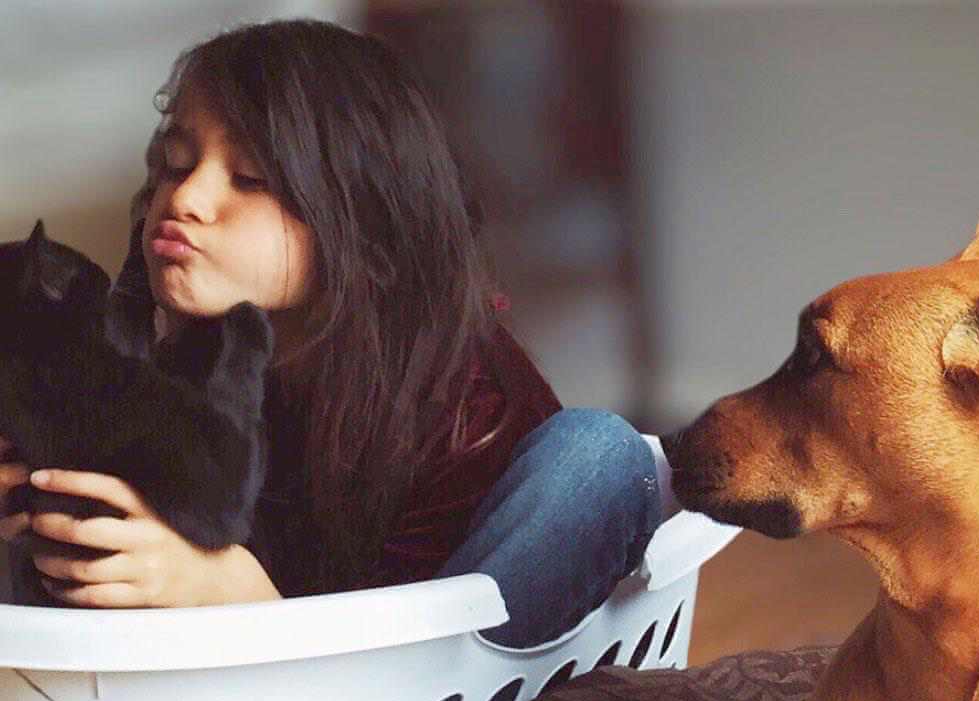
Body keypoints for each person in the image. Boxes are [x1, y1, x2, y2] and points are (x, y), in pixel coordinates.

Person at [0, 19, 674, 648]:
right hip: (193, 700)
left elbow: (431, 656)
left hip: (410, 693)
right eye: (176, 165)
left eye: (250, 178)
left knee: (599, 457)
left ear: (362, 225)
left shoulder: (469, 409)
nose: (185, 199)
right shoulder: (151, 351)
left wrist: (234, 595)